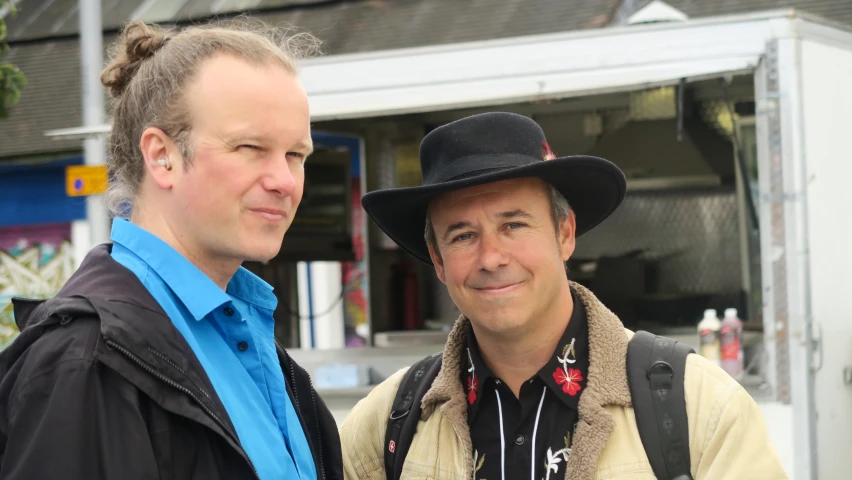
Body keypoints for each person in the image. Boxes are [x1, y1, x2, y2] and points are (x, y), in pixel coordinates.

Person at [339, 112, 786, 479]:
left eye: (514, 224)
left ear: (565, 233)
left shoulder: (696, 406)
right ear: (437, 260)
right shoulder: (388, 424)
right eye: (462, 236)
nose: (491, 257)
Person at [0, 21, 342, 480]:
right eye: (250, 147)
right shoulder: (87, 359)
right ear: (161, 155)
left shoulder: (256, 348)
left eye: (296, 155)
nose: (284, 181)